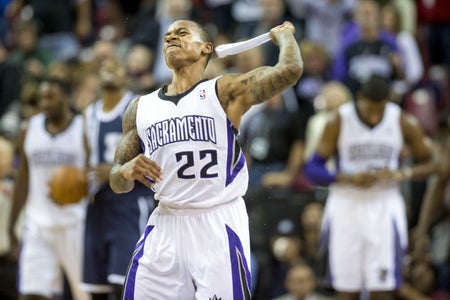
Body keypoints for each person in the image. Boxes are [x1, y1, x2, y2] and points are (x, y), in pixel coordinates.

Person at [109, 19, 303, 299]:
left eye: (182, 33)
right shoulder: (140, 107)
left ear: (205, 48)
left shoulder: (223, 92)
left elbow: (290, 70)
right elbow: (117, 181)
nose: (171, 38)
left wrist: (284, 37)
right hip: (165, 221)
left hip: (217, 221)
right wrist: (124, 171)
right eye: (167, 35)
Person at [303, 75, 438, 300]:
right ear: (358, 99)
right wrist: (346, 178)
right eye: (369, 110)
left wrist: (402, 173)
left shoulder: (402, 120)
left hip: (384, 206)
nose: (374, 116)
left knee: (381, 288)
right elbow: (312, 169)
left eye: (379, 110)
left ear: (389, 101)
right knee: (347, 290)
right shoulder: (339, 120)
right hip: (346, 204)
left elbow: (433, 163)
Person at [8, 77, 90, 300]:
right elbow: (22, 180)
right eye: (42, 97)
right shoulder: (29, 129)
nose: (45, 103)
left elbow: (93, 176)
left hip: (73, 225)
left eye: (50, 97)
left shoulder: (83, 129)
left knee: (84, 294)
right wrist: (11, 225)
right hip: (37, 224)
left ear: (66, 97)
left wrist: (77, 190)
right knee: (32, 293)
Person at [81, 58, 155, 300]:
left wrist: (117, 168)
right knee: (97, 288)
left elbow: (153, 154)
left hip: (129, 204)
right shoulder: (88, 113)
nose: (110, 69)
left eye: (116, 66)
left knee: (125, 284)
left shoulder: (137, 106)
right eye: (105, 66)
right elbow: (86, 158)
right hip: (98, 205)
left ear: (126, 76)